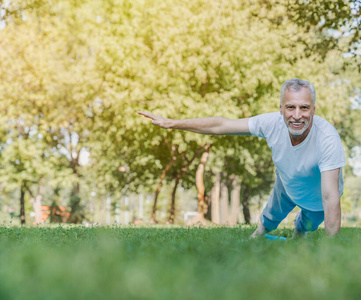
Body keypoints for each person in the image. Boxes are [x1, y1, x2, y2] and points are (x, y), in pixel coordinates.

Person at [138, 78, 345, 238]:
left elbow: (330, 197)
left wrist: (333, 250)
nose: (297, 115)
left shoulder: (327, 138)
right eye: (290, 107)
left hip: (315, 199)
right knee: (270, 216)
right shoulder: (271, 123)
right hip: (286, 181)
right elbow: (222, 125)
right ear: (280, 109)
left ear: (314, 110)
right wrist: (173, 123)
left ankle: (298, 236)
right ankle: (256, 238)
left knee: (304, 228)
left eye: (304, 108)